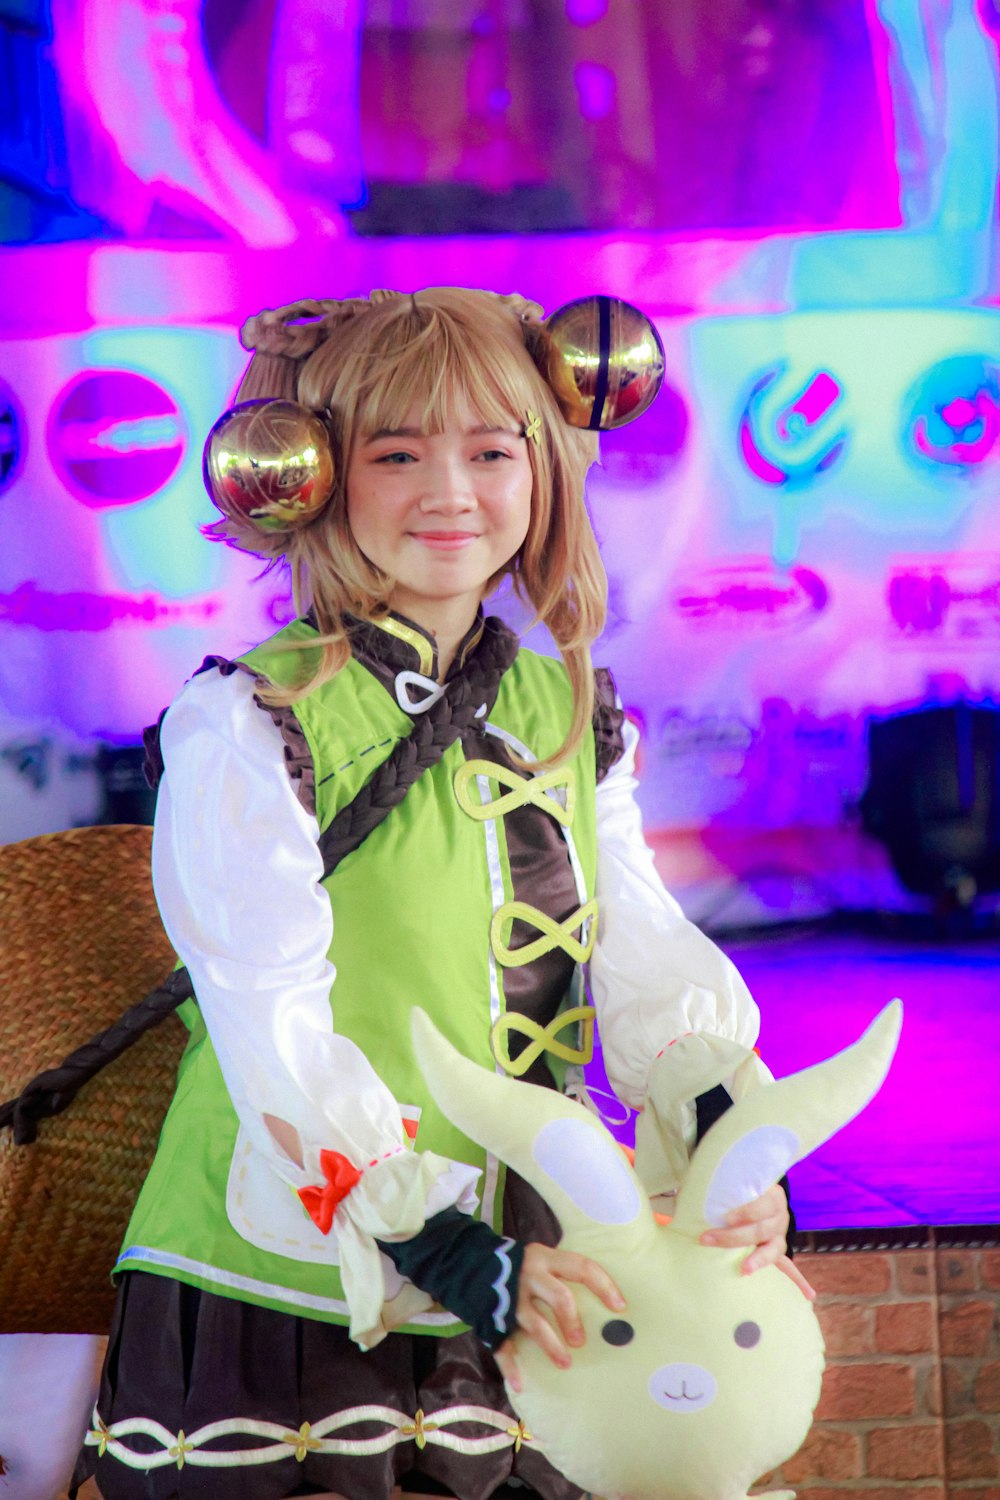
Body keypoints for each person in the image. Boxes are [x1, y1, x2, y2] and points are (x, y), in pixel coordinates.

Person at [72, 287, 805, 1500]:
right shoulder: (245, 720)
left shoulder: (572, 708)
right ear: (311, 475)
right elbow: (267, 1013)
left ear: (544, 470)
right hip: (296, 1278)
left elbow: (645, 952)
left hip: (539, 1278)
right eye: (396, 452)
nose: (449, 491)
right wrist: (432, 1232)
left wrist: (726, 1129)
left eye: (490, 450)